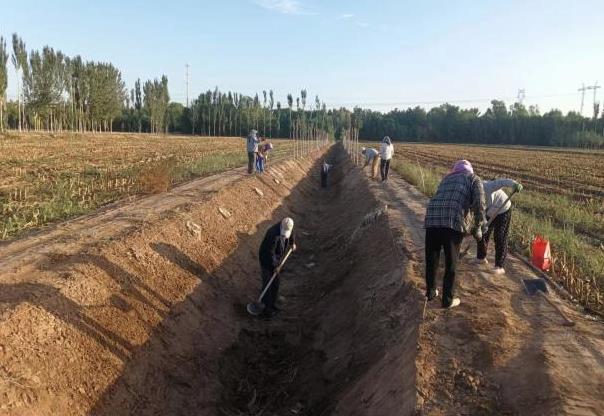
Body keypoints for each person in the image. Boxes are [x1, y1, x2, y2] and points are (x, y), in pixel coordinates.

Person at [424, 159, 486, 308]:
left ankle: (431, 292)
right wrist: (478, 226)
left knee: (432, 258)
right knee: (452, 263)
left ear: (455, 170)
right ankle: (447, 300)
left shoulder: (447, 178)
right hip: (452, 221)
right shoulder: (473, 179)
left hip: (432, 218)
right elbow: (480, 203)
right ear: (469, 170)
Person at [474, 178, 523, 274]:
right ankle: (481, 257)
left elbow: (502, 182)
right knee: (483, 233)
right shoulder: (471, 195)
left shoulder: (487, 186)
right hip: (488, 212)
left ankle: (499, 266)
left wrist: (515, 184)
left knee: (500, 236)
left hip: (503, 209)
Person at [258, 217, 297, 317]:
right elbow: (270, 253)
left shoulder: (288, 225)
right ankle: (266, 310)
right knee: (268, 283)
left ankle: (272, 304)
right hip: (266, 260)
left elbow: (291, 233)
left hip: (277, 259)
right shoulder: (272, 234)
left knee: (276, 283)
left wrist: (292, 243)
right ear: (281, 226)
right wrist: (275, 266)